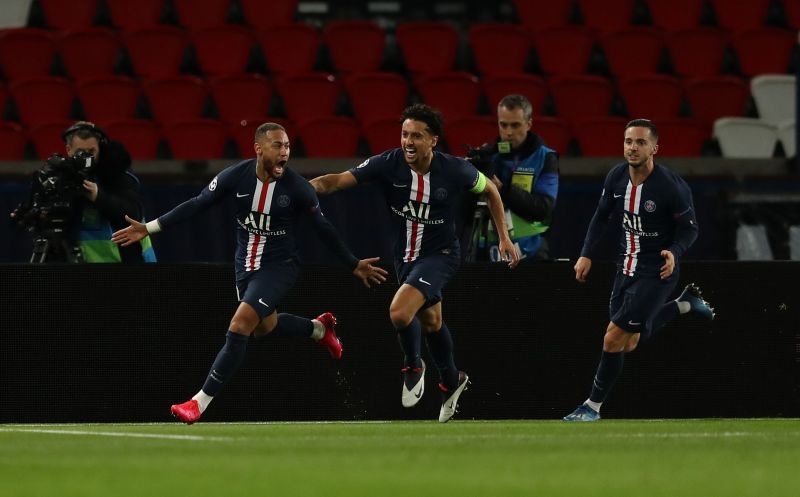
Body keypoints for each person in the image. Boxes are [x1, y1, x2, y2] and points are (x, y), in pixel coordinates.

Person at [111, 122, 388, 424]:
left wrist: (352, 263)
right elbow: (197, 204)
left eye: (287, 146)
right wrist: (148, 227)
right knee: (264, 328)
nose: (284, 152)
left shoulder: (297, 189)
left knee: (241, 323)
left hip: (280, 267)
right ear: (258, 148)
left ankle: (198, 403)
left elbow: (324, 230)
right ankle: (318, 329)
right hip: (245, 266)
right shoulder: (236, 176)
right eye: (277, 146)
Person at [311, 104, 520, 423]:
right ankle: (452, 380)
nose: (408, 141)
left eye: (417, 136)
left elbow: (490, 190)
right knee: (433, 322)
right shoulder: (388, 163)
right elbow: (337, 181)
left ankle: (413, 366)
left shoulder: (454, 170)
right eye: (405, 134)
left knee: (399, 311)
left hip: (443, 255)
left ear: (433, 140)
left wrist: (503, 237)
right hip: (405, 258)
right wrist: (300, 190)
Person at [563, 119, 715, 422]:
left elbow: (690, 229)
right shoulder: (616, 177)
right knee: (628, 343)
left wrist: (674, 251)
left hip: (657, 272)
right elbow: (601, 216)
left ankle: (591, 407)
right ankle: (685, 305)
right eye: (628, 141)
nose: (633, 147)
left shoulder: (670, 187)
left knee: (612, 339)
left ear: (654, 148)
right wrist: (586, 254)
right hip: (625, 267)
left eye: (640, 142)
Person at [11, 121, 156, 263]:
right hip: (82, 262)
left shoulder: (118, 174)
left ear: (100, 147)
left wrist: (98, 196)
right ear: (68, 150)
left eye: (91, 151)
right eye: (80, 152)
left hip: (125, 261)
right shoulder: (62, 176)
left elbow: (132, 212)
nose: (87, 158)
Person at [484, 94, 559, 262]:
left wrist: (503, 190)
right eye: (503, 125)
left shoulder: (546, 158)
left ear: (529, 124)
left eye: (515, 125)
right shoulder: (488, 158)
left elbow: (543, 208)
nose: (509, 132)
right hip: (489, 252)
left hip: (532, 253)